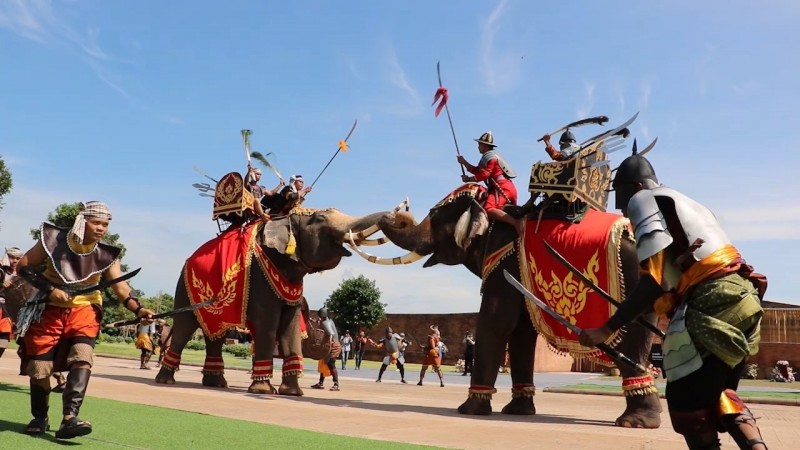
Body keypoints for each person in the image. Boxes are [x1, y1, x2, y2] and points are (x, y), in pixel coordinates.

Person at [578, 153, 767, 450]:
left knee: (685, 401)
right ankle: (756, 445)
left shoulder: (644, 199)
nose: (624, 207)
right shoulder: (689, 203)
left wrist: (608, 328)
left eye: (623, 196)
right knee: (719, 392)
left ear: (637, 185)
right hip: (745, 297)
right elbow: (684, 267)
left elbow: (654, 282)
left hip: (712, 299)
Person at [15, 201, 155, 439]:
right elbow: (23, 267)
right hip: (47, 309)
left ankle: (70, 418)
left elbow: (121, 289)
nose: (102, 228)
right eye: (97, 222)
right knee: (39, 369)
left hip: (85, 309)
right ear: (83, 221)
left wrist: (139, 309)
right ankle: (40, 416)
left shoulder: (107, 255)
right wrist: (50, 290)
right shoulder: (52, 240)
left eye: (105, 224)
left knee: (82, 356)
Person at [456, 131, 521, 235]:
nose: (478, 147)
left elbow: (484, 175)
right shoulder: (490, 157)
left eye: (480, 144)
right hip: (509, 188)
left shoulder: (491, 158)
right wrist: (463, 162)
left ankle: (516, 223)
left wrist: (469, 179)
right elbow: (477, 170)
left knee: (488, 208)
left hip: (501, 188)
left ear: (485, 146)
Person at [310, 307, 340, 391]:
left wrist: (329, 344)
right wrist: (314, 321)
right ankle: (320, 383)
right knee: (323, 363)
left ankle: (336, 384)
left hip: (333, 345)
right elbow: (321, 323)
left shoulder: (325, 323)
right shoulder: (329, 321)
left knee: (331, 364)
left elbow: (331, 334)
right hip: (331, 344)